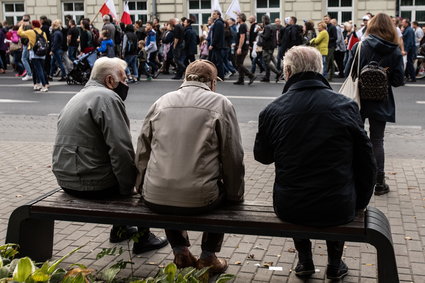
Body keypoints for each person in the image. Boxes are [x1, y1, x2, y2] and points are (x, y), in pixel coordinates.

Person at [254, 45, 377, 280]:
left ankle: (305, 261)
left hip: (291, 206)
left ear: (287, 72)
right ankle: (334, 263)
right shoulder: (346, 106)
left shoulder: (272, 110)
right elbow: (367, 162)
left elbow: (262, 156)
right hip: (339, 205)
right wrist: (359, 200)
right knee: (334, 192)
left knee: (301, 195)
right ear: (319, 70)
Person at [135, 59, 244, 274]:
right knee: (222, 194)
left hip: (154, 195)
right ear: (212, 82)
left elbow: (142, 150)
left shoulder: (161, 102)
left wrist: (140, 186)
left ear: (185, 78)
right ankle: (208, 257)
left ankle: (180, 252)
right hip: (201, 198)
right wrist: (235, 194)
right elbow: (233, 156)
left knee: (169, 185)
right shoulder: (221, 104)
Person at [52, 57, 168, 253]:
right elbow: (121, 150)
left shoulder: (79, 96)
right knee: (142, 177)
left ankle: (121, 229)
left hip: (66, 179)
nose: (126, 83)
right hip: (91, 183)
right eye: (124, 79)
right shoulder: (108, 98)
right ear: (109, 81)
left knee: (118, 171)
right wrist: (130, 188)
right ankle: (144, 238)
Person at [345, 13, 404, 195]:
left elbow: (348, 71)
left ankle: (355, 177)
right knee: (377, 140)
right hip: (381, 100)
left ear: (370, 27)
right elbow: (397, 80)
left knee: (357, 139)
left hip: (359, 99)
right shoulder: (394, 50)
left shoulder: (360, 46)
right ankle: (379, 183)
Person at [18, 20, 49, 92]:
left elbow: (20, 33)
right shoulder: (43, 32)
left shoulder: (31, 32)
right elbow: (46, 41)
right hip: (42, 53)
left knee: (38, 69)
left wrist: (21, 26)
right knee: (40, 69)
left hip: (34, 53)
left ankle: (43, 85)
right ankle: (38, 84)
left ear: (33, 25)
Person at [233, 13, 256, 85]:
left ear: (241, 18)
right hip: (244, 47)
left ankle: (251, 75)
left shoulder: (242, 26)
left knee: (238, 63)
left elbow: (242, 37)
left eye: (238, 17)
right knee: (240, 63)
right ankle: (241, 79)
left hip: (242, 48)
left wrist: (239, 47)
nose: (236, 18)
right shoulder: (244, 25)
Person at [260, 15, 281, 83]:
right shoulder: (273, 26)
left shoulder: (267, 27)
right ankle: (267, 76)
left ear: (264, 20)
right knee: (271, 59)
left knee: (267, 62)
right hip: (272, 46)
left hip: (267, 46)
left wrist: (261, 34)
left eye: (262, 19)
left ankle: (278, 73)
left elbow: (266, 36)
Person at [209, 10, 225, 80]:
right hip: (217, 45)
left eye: (214, 14)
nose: (213, 15)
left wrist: (212, 44)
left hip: (217, 45)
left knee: (219, 61)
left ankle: (221, 76)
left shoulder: (218, 23)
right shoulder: (218, 22)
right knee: (214, 61)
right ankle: (216, 75)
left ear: (218, 15)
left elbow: (216, 35)